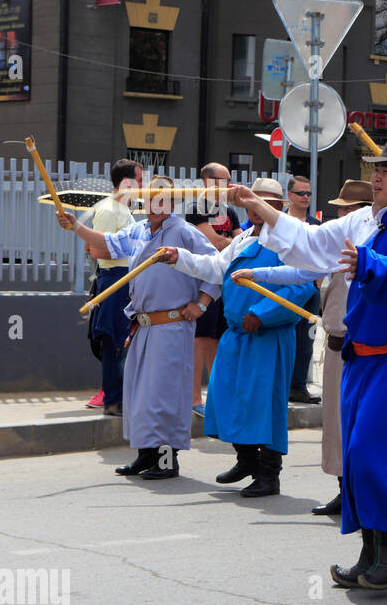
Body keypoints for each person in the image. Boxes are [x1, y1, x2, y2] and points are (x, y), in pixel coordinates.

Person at [230, 135, 387, 591]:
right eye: (376, 168)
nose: (375, 176)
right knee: (357, 457)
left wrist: (370, 263)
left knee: (380, 453)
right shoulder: (364, 219)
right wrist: (266, 208)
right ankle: (374, 551)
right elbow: (314, 245)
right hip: (365, 357)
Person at [158, 177, 316, 497]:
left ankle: (269, 474)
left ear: (276, 206)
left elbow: (302, 286)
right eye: (252, 202)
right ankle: (246, 459)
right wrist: (179, 257)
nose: (257, 209)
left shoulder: (291, 239)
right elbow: (216, 268)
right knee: (227, 395)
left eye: (265, 203)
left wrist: (262, 313)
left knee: (265, 404)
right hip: (235, 333)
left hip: (268, 336)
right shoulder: (243, 238)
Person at [57, 179, 220, 480]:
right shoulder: (139, 230)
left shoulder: (184, 232)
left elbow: (216, 266)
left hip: (172, 325)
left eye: (162, 199)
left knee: (165, 394)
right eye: (150, 198)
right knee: (139, 394)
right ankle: (145, 454)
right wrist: (75, 227)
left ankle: (167, 459)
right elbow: (106, 243)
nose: (155, 205)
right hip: (143, 325)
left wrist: (203, 303)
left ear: (171, 203)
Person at [241, 179, 374, 516]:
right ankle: (345, 490)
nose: (339, 213)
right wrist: (259, 274)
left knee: (358, 426)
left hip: (360, 350)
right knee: (336, 424)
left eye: (346, 208)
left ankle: (361, 496)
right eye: (340, 208)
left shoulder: (368, 249)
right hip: (335, 347)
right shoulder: (341, 250)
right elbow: (301, 272)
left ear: (361, 213)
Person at [84, 158, 142, 417]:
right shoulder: (109, 210)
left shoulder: (124, 209)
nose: (143, 185)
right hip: (114, 277)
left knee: (123, 339)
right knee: (114, 341)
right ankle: (113, 399)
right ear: (127, 182)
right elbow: (98, 249)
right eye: (139, 180)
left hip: (126, 277)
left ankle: (120, 396)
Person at [183, 162, 241, 418]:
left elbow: (241, 242)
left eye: (229, 180)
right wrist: (232, 243)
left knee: (218, 340)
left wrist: (229, 244)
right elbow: (214, 242)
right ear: (207, 180)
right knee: (200, 340)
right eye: (222, 180)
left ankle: (216, 398)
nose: (227, 186)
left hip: (224, 284)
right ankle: (194, 397)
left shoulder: (230, 211)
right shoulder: (196, 209)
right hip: (203, 283)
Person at [285, 174, 322, 404]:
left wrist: (318, 283)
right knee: (282, 337)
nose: (306, 197)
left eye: (309, 193)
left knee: (306, 340)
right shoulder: (281, 222)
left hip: (310, 291)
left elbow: (324, 255)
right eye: (301, 193)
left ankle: (298, 386)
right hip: (284, 288)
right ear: (289, 196)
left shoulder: (316, 225)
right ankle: (281, 385)